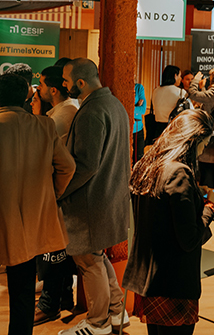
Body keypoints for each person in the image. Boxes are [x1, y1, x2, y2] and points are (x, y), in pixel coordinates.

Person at [123, 110, 214, 335]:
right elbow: (189, 239)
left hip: (149, 279)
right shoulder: (179, 173)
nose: (203, 151)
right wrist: (209, 207)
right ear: (192, 141)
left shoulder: (148, 164)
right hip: (173, 282)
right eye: (203, 144)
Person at [58, 58, 132, 335]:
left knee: (88, 261)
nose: (64, 86)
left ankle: (98, 322)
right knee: (97, 257)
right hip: (109, 197)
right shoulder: (114, 105)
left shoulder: (91, 111)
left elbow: (86, 165)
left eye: (66, 81)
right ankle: (116, 313)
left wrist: (59, 191)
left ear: (80, 82)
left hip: (90, 202)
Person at [0, 72, 75, 335]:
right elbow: (67, 167)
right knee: (22, 290)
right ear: (26, 97)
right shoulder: (44, 126)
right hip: (32, 220)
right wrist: (49, 195)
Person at [29, 66, 80, 325]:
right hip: (59, 192)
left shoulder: (62, 115)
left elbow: (48, 154)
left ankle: (51, 302)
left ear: (53, 89)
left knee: (53, 250)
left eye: (39, 85)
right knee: (57, 250)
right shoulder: (62, 111)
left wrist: (56, 191)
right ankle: (62, 298)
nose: (36, 90)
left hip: (56, 193)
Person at [151, 65, 186, 138]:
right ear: (175, 76)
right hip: (174, 127)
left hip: (158, 128)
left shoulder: (156, 91)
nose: (180, 78)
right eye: (179, 76)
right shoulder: (180, 92)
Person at [133, 78, 147, 164]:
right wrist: (136, 106)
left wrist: (132, 107)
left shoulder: (139, 88)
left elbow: (143, 110)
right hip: (125, 129)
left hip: (138, 129)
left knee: (139, 159)